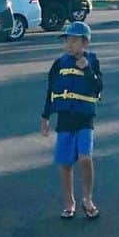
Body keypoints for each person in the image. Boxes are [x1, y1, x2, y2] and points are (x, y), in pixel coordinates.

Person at [41, 21, 103, 220]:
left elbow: (98, 87)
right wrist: (46, 116)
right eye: (67, 40)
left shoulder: (92, 61)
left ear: (85, 43)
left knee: (85, 158)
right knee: (65, 163)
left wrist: (87, 70)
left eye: (74, 41)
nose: (69, 45)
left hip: (85, 118)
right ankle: (69, 202)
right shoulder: (59, 64)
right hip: (65, 118)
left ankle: (88, 199)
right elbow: (51, 91)